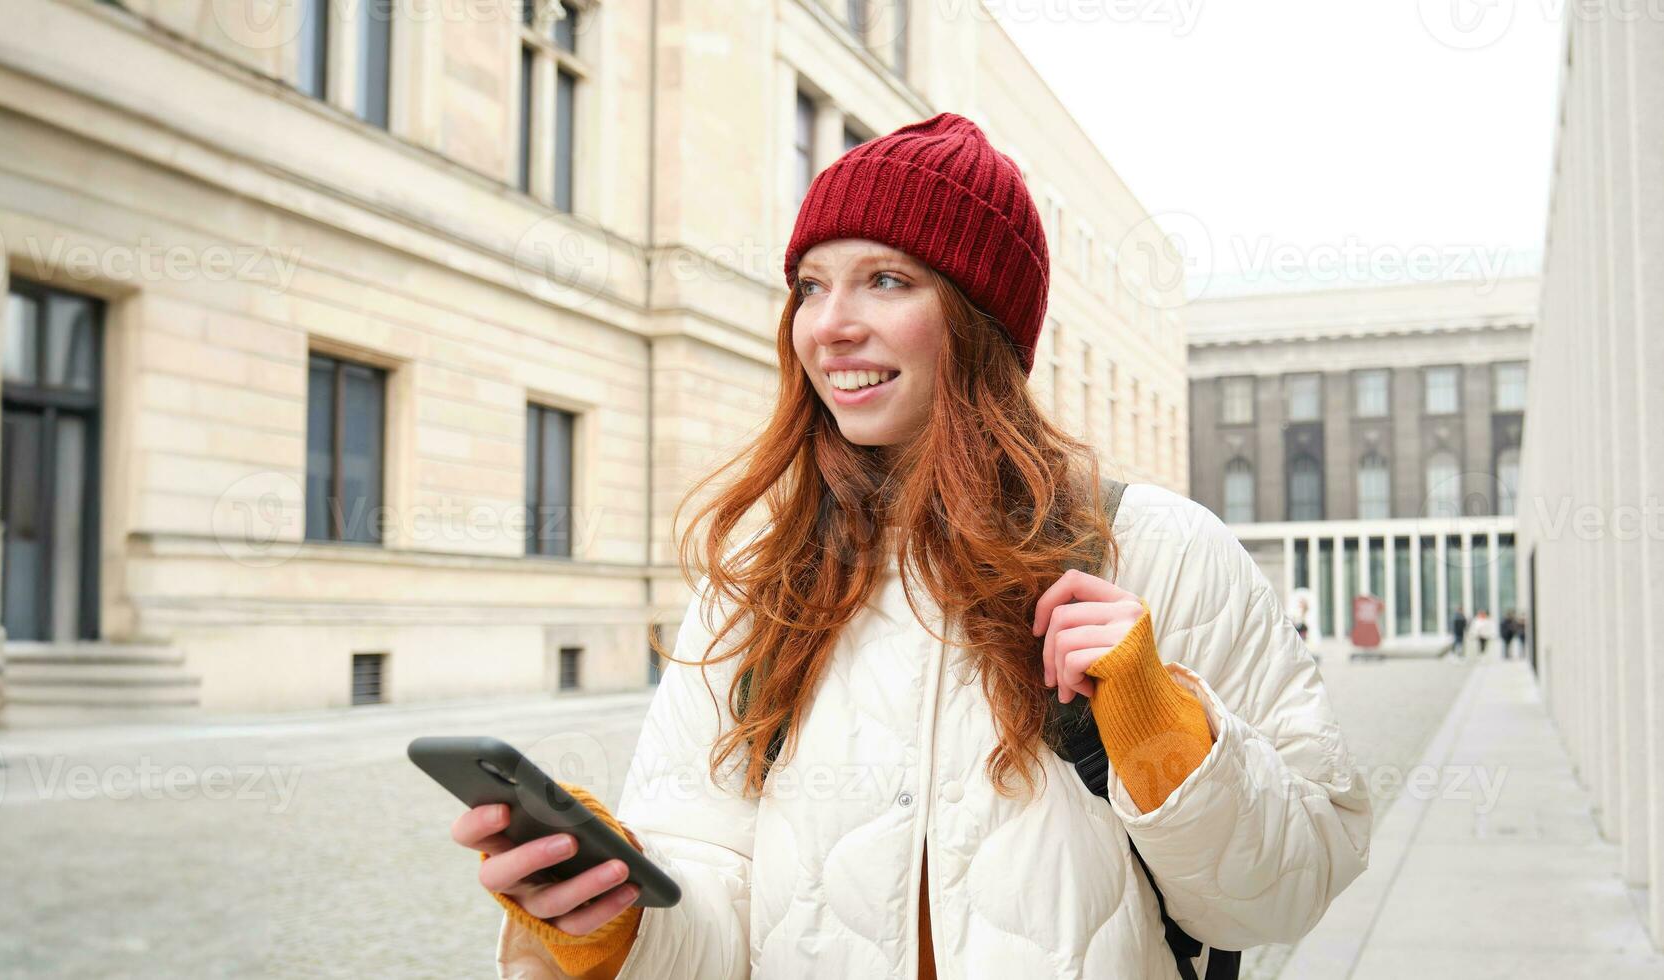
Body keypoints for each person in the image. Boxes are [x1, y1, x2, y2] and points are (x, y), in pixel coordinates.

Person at [447, 113, 1372, 980]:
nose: (830, 324)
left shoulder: (1156, 547)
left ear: (978, 322)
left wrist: (1160, 727)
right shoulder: (758, 583)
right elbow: (718, 911)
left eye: (887, 280)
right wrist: (616, 921)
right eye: (811, 285)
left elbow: (1276, 897)